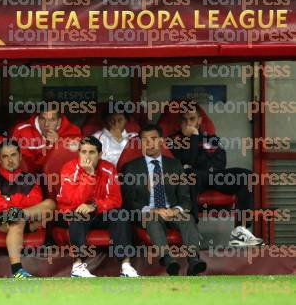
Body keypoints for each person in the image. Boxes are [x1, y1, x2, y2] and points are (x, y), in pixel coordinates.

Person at [169, 106, 263, 246]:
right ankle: (192, 232)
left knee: (247, 176)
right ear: (179, 121)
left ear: (199, 120)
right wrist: (194, 137)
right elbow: (186, 160)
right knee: (189, 176)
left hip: (213, 175)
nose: (188, 122)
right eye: (184, 119)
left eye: (192, 118)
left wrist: (198, 163)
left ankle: (240, 231)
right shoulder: (172, 140)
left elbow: (220, 162)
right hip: (192, 178)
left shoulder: (210, 138)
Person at [121, 124, 206, 276]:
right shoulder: (131, 168)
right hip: (149, 211)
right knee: (152, 219)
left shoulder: (175, 165)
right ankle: (168, 260)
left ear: (161, 141)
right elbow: (129, 200)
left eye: (153, 139)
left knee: (187, 218)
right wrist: (152, 210)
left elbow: (185, 197)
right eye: (145, 140)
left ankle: (194, 260)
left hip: (172, 210)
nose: (149, 143)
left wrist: (176, 210)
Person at [57, 136, 139, 278]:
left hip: (98, 212)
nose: (86, 156)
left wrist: (95, 206)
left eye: (91, 152)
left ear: (100, 155)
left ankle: (126, 266)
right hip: (71, 211)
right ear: (79, 153)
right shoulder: (69, 169)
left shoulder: (108, 168)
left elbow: (115, 200)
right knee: (77, 215)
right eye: (83, 152)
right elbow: (73, 201)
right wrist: (89, 176)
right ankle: (77, 266)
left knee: (121, 214)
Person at [0, 139, 56, 278]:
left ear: (20, 157)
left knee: (50, 203)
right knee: (18, 220)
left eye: (13, 155)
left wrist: (10, 201)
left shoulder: (30, 178)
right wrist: (21, 201)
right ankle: (17, 269)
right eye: (5, 156)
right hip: (0, 221)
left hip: (25, 216)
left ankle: (21, 216)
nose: (10, 160)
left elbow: (36, 201)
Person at [11, 106, 82, 173]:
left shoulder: (73, 132)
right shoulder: (22, 131)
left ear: (59, 121)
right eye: (43, 119)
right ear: (38, 118)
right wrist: (50, 147)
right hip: (31, 180)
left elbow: (74, 165)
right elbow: (21, 166)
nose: (46, 124)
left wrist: (58, 146)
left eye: (52, 120)